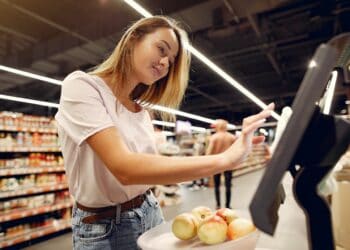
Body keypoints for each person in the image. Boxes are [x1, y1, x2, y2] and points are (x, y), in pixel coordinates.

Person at [55, 15, 274, 250]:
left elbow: (150, 168)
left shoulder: (142, 111)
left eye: (170, 61)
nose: (164, 63)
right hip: (104, 226)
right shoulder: (82, 86)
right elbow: (125, 169)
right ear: (133, 40)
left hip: (149, 211)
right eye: (161, 49)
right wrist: (223, 159)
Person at [206, 119, 237, 209]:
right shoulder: (232, 137)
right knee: (228, 186)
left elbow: (209, 153)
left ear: (218, 126)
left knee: (217, 186)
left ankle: (218, 205)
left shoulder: (214, 137)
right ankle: (228, 205)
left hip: (217, 164)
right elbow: (235, 151)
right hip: (228, 164)